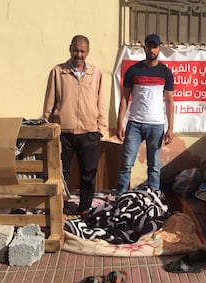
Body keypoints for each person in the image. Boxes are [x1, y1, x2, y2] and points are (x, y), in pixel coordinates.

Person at [42, 35, 107, 216]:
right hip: (64, 132)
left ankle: (85, 207)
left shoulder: (96, 73)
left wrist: (101, 129)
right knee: (61, 173)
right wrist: (46, 124)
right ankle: (59, 207)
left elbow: (101, 101)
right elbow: (49, 101)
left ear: (88, 52)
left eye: (82, 51)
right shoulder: (58, 72)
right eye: (76, 50)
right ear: (70, 49)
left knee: (88, 173)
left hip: (89, 131)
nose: (79, 54)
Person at [115, 33, 175, 196]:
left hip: (156, 125)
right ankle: (119, 198)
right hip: (134, 124)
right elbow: (125, 99)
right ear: (144, 48)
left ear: (159, 49)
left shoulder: (165, 73)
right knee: (127, 163)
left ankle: (154, 198)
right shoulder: (133, 71)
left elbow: (170, 102)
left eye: (155, 46)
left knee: (154, 165)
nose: (152, 49)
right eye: (149, 46)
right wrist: (119, 123)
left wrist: (170, 128)